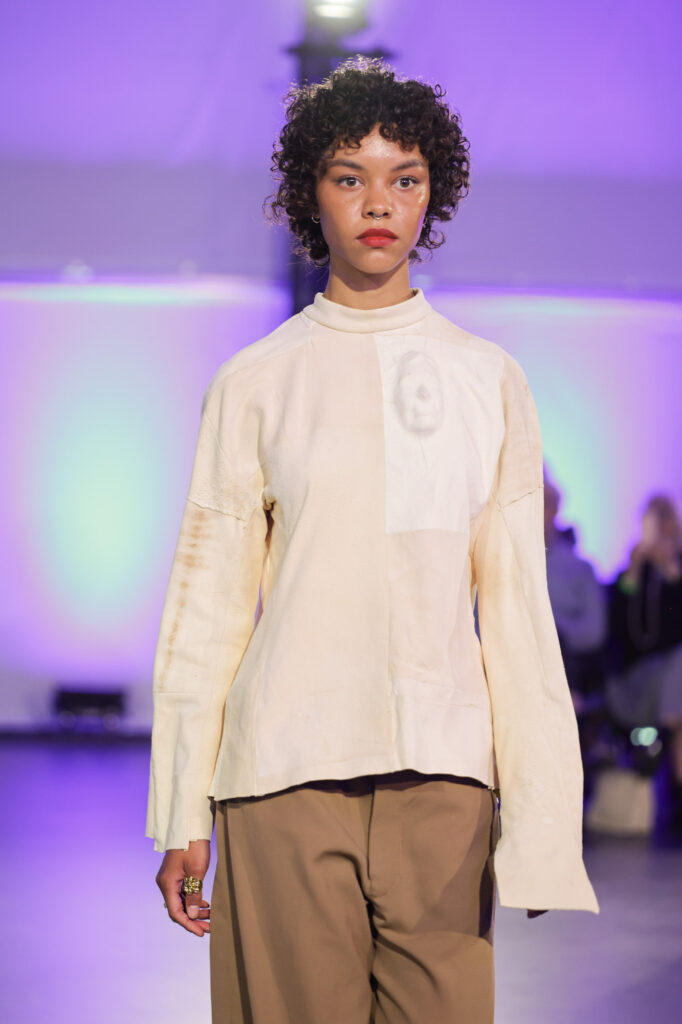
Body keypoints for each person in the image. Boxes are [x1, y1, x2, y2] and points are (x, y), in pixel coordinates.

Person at [147, 58, 598, 1024]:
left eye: (406, 177)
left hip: (444, 781)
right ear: (309, 194)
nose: (379, 203)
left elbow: (517, 613)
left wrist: (543, 817)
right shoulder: (255, 382)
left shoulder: (488, 380)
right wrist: (181, 810)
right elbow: (208, 611)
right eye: (349, 176)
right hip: (282, 776)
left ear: (435, 195)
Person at [607, 494, 682, 824]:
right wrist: (635, 571)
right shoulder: (633, 574)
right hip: (638, 680)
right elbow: (619, 631)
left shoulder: (675, 572)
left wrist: (671, 571)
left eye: (665, 519)